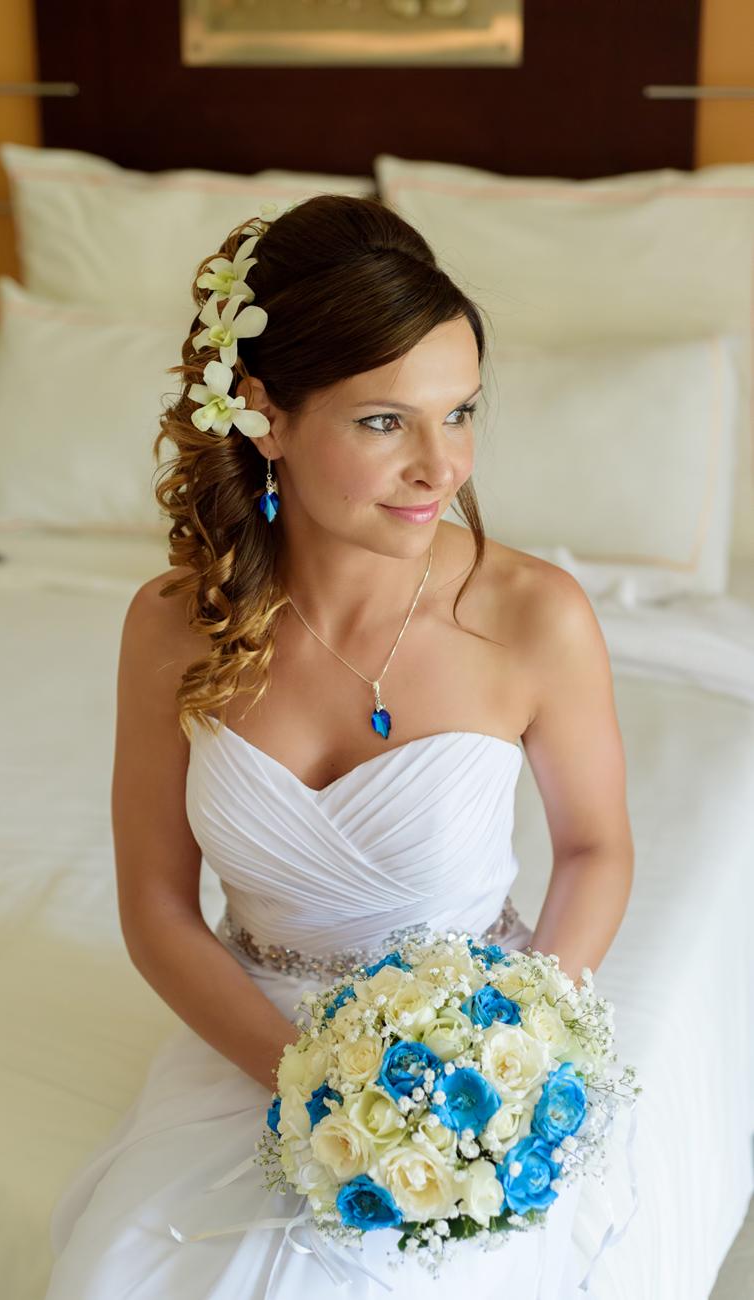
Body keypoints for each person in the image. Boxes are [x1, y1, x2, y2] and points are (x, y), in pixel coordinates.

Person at [43, 194, 634, 1298]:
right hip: (248, 1035)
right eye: (384, 422)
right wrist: (315, 1087)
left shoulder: (533, 615)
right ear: (265, 416)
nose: (441, 467)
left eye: (460, 412)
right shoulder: (172, 627)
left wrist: (519, 1042)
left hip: (478, 1061)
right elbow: (157, 907)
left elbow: (596, 849)